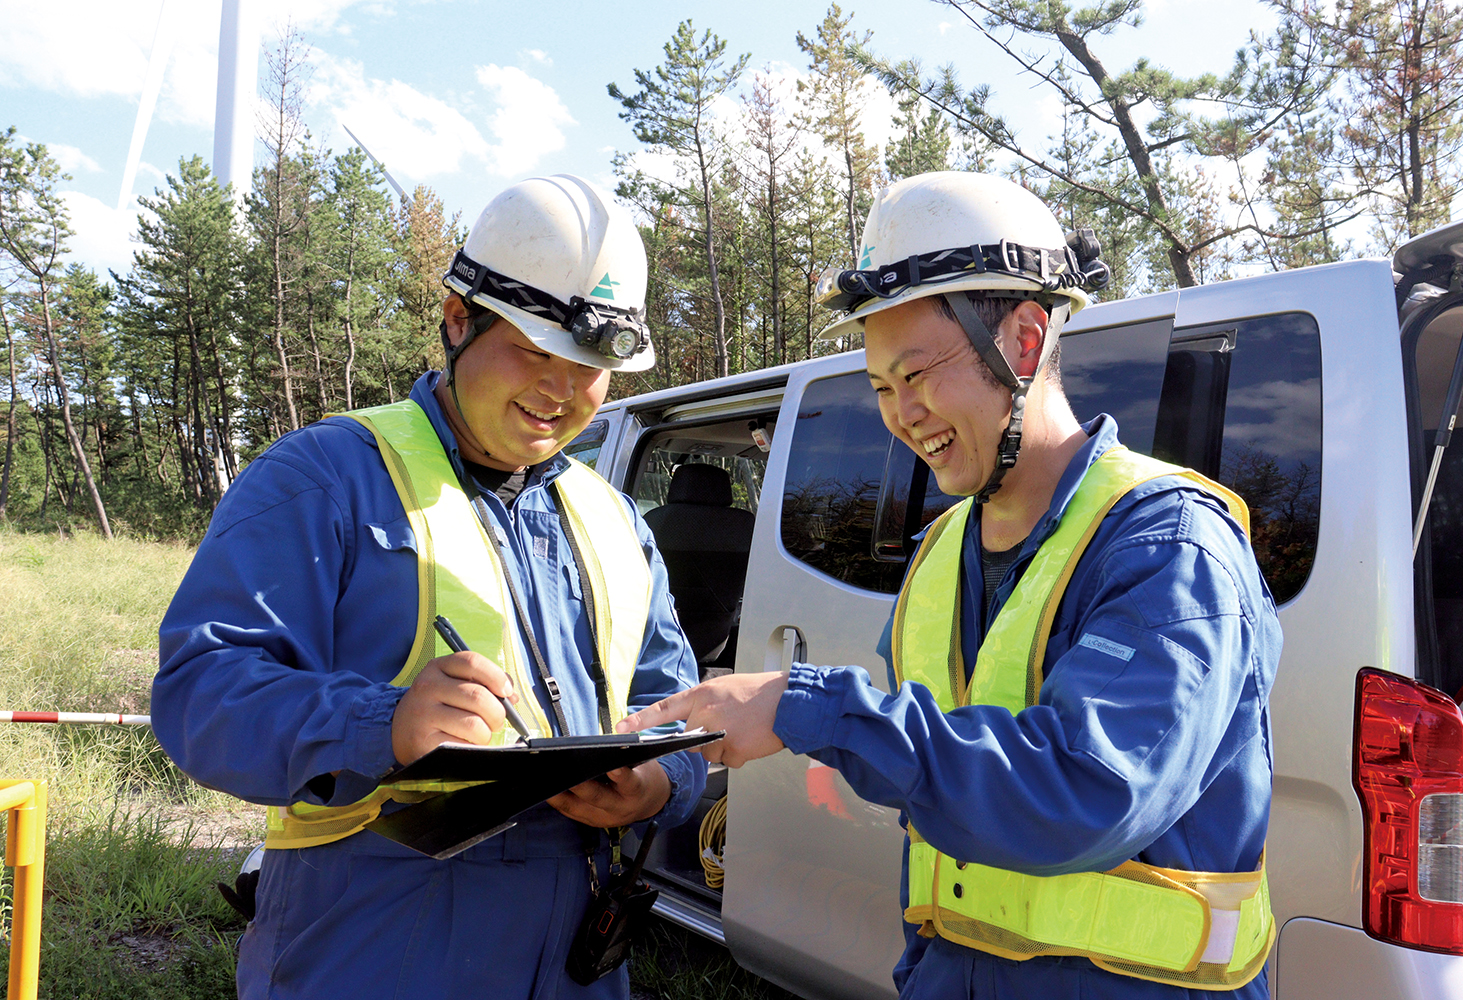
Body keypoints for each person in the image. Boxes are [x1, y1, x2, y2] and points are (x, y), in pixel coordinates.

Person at [619, 171, 1281, 999]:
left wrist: (812, 710)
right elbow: (947, 811)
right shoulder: (940, 552)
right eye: (881, 389)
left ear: (1025, 343)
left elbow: (1087, 789)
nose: (902, 415)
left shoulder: (1170, 546)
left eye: (918, 374)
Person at [154, 174, 705, 1000]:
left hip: (576, 954)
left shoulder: (616, 520)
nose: (561, 388)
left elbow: (673, 703)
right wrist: (385, 723)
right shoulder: (325, 478)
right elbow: (200, 696)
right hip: (373, 945)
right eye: (534, 350)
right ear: (457, 319)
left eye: (590, 364)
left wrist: (660, 784)